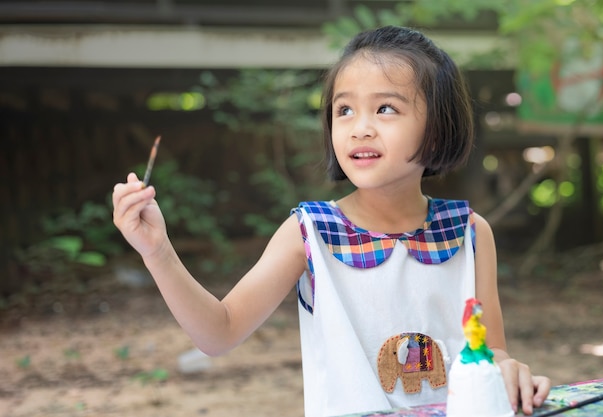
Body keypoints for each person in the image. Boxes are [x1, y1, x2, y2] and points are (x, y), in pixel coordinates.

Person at [112, 25, 550, 417]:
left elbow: (491, 356)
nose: (359, 128)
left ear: (436, 130)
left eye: (385, 109)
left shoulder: (471, 232)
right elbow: (219, 333)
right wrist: (158, 252)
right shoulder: (310, 232)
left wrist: (512, 372)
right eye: (344, 110)